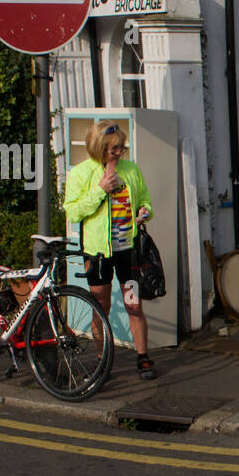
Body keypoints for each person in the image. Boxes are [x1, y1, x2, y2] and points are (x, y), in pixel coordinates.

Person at [64, 120, 158, 380]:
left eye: (121, 147)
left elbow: (146, 200)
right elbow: (73, 211)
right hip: (98, 253)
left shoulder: (131, 170)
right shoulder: (82, 174)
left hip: (127, 251)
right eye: (112, 148)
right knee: (100, 307)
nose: (118, 152)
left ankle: (142, 357)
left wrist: (145, 211)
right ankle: (100, 361)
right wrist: (100, 190)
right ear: (98, 147)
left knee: (134, 304)